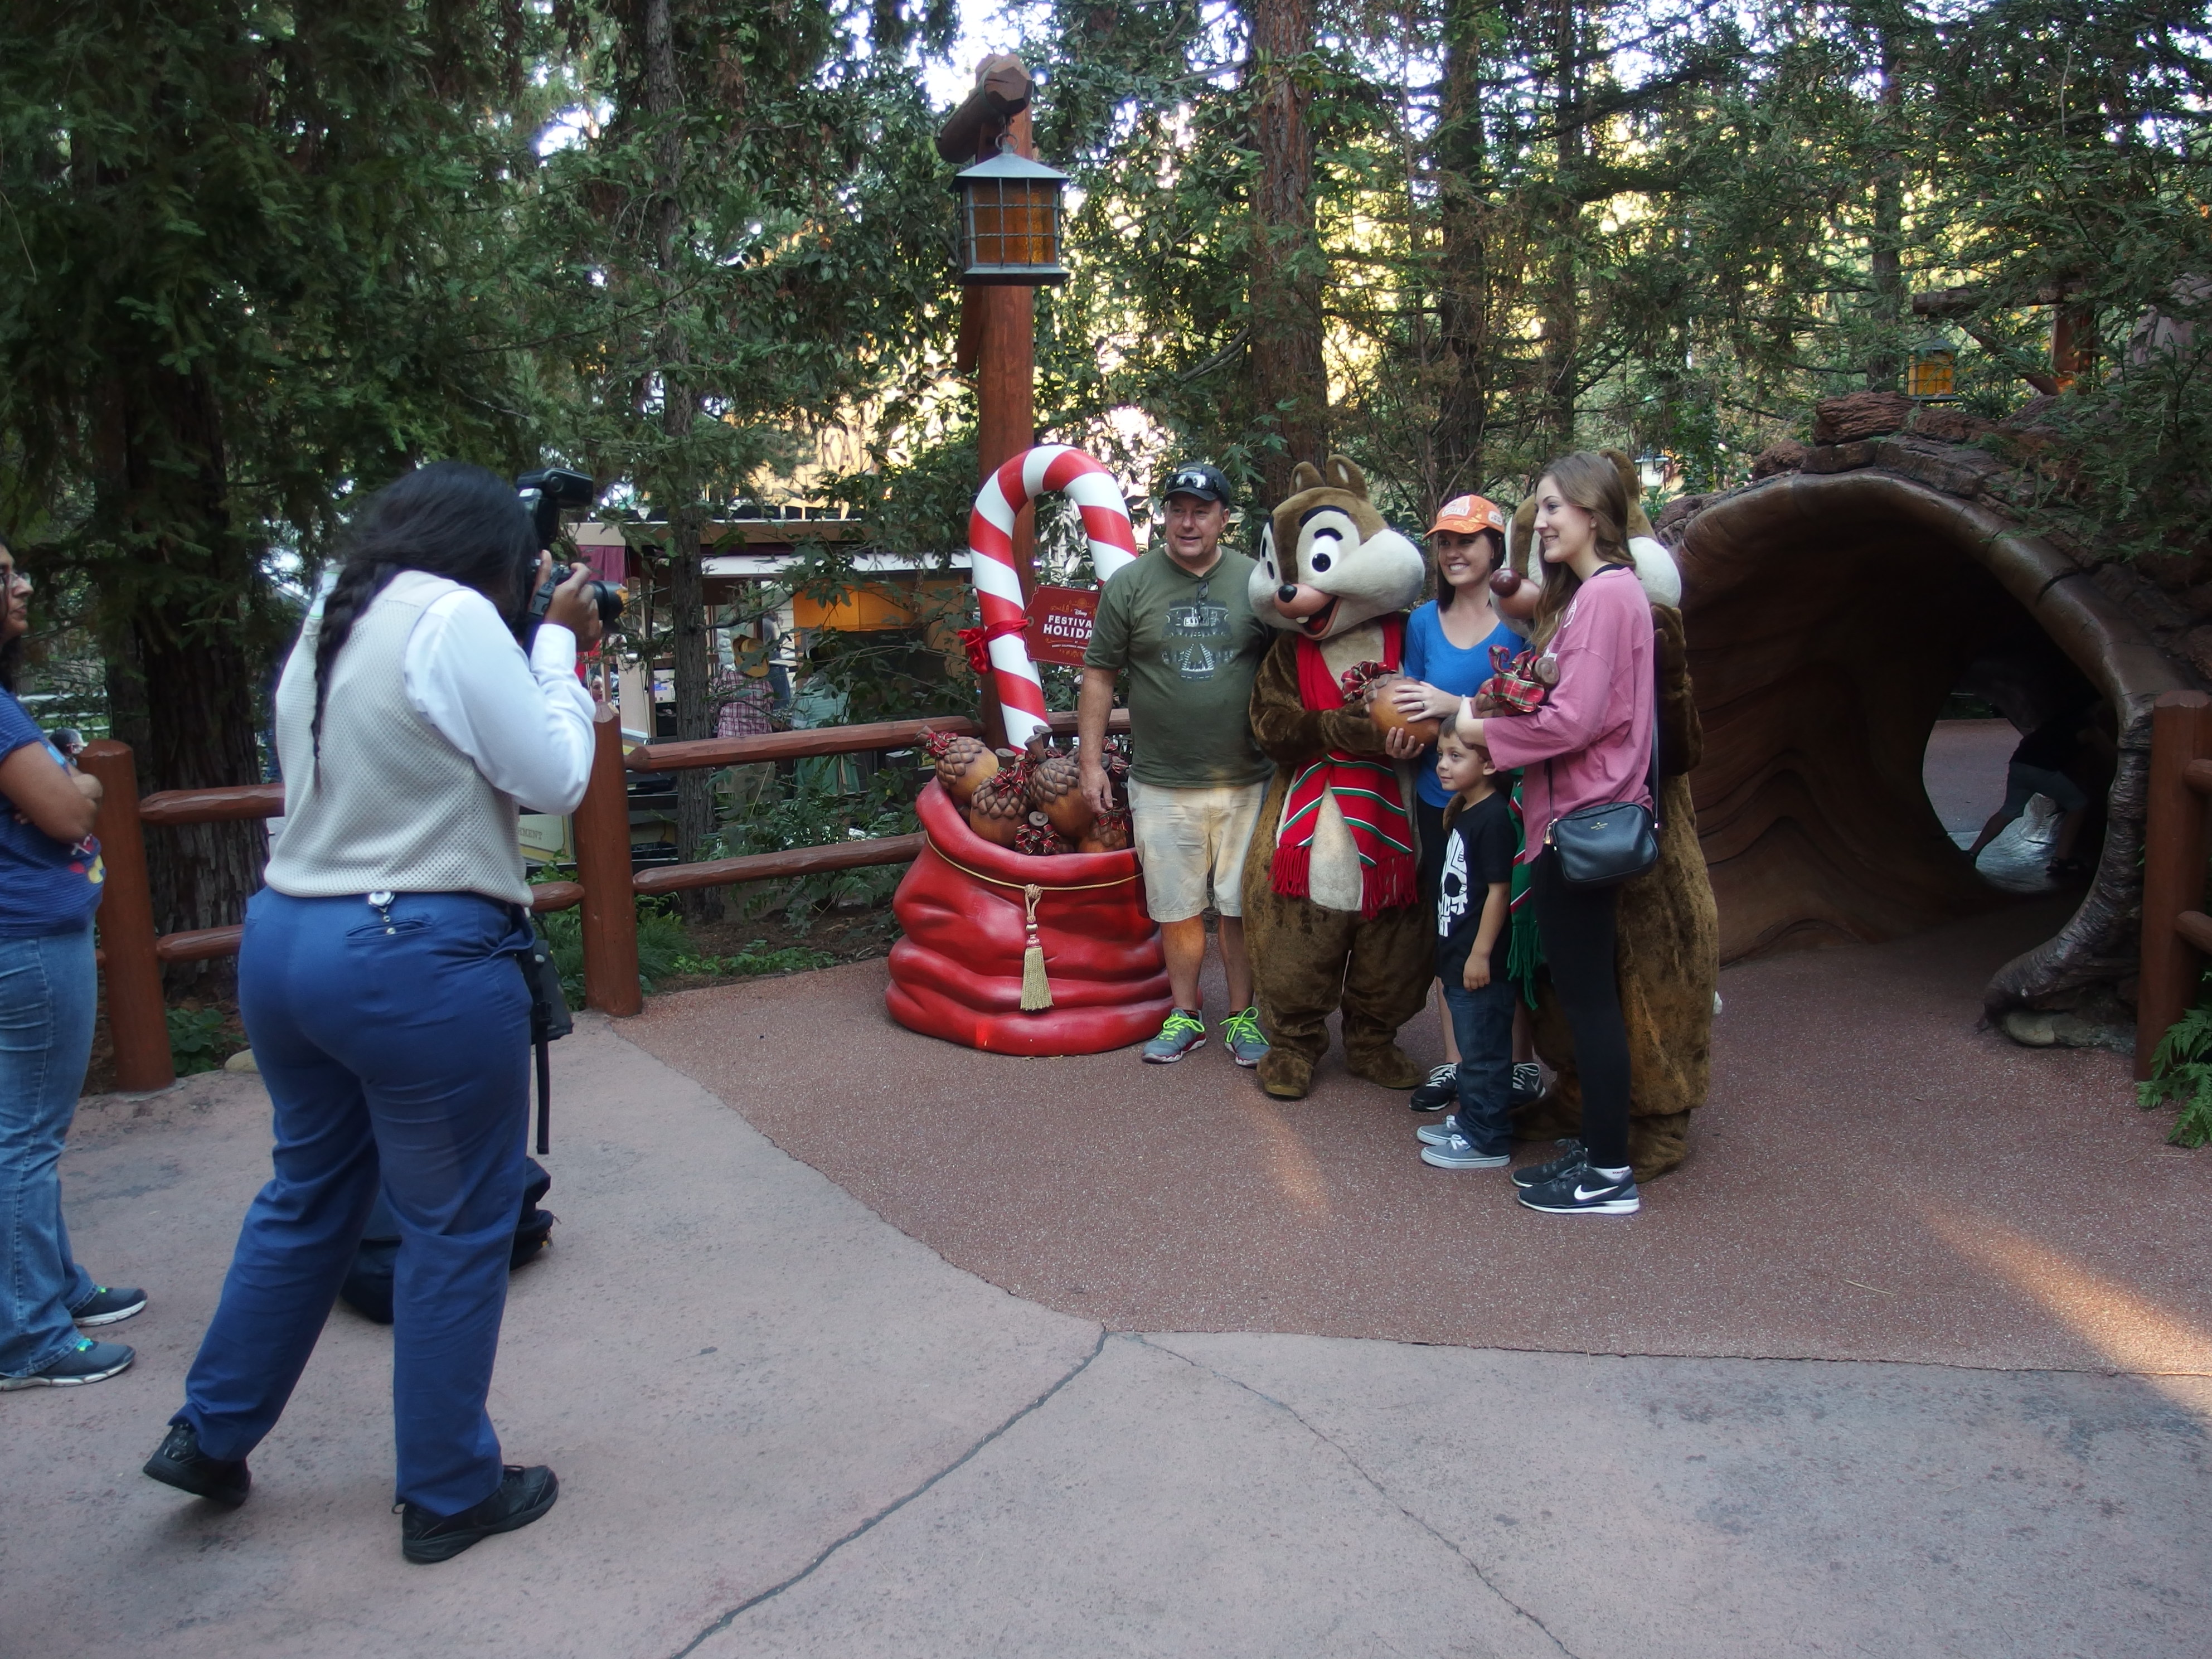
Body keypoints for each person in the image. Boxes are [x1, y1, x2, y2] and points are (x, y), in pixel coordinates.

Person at [142, 462, 601, 1563]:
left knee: (308, 1196)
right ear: (493, 558)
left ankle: (210, 1432)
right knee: (458, 1223)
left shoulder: (332, 617)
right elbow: (553, 780)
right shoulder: (454, 618)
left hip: (286, 942)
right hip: (411, 956)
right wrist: (556, 647)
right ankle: (448, 1490)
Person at [1441, 453, 1655, 1217]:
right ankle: (1599, 1153)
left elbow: (1574, 721)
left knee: (1591, 1005)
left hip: (1580, 825)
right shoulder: (1606, 595)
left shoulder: (1604, 596)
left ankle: (1609, 1174)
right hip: (1578, 821)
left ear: (1595, 513)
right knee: (1587, 998)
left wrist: (1475, 728)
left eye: (1556, 506)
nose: (1544, 523)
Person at [0, 538, 144, 1391]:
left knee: (22, 1131)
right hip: (25, 938)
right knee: (25, 1138)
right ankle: (28, 1335)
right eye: (3, 576)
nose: (22, 586)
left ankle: (54, 1286)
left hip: (21, 935)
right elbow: (63, 810)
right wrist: (80, 783)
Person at [1079, 462, 1273, 1065]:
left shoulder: (1256, 581)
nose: (1188, 523)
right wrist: (1089, 764)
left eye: (1201, 511)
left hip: (1249, 778)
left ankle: (1242, 1016)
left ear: (1224, 518)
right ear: (1164, 515)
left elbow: (1289, 670)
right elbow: (1099, 674)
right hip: (1162, 780)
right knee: (1177, 906)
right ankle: (1185, 1013)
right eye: (1177, 510)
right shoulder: (1131, 583)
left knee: (1241, 906)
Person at [1384, 495, 1539, 1114]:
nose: (1453, 552)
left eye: (1467, 541)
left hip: (1506, 802)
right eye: (1444, 542)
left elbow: (1531, 707)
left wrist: (1457, 706)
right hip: (1439, 799)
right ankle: (1456, 1060)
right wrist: (1400, 736)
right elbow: (1411, 709)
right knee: (1451, 926)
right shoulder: (1422, 622)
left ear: (1495, 548)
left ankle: (1519, 1064)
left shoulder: (1521, 620)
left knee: (1507, 927)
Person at [1413, 724, 1518, 1172]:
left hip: (1480, 962)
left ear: (1490, 763)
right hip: (1457, 955)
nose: (1442, 765)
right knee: (1472, 1052)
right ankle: (1474, 1119)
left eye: (1457, 756)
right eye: (1441, 754)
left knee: (1484, 1054)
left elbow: (1499, 891)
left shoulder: (1493, 818)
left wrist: (1479, 954)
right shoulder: (1465, 810)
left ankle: (1488, 1138)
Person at [1966, 700, 2106, 879]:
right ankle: (2060, 860)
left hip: (2019, 764)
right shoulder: (2090, 729)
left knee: (2008, 811)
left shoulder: (2053, 724)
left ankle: (1972, 852)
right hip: (2042, 770)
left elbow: (2028, 741)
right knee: (2079, 805)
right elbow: (2113, 754)